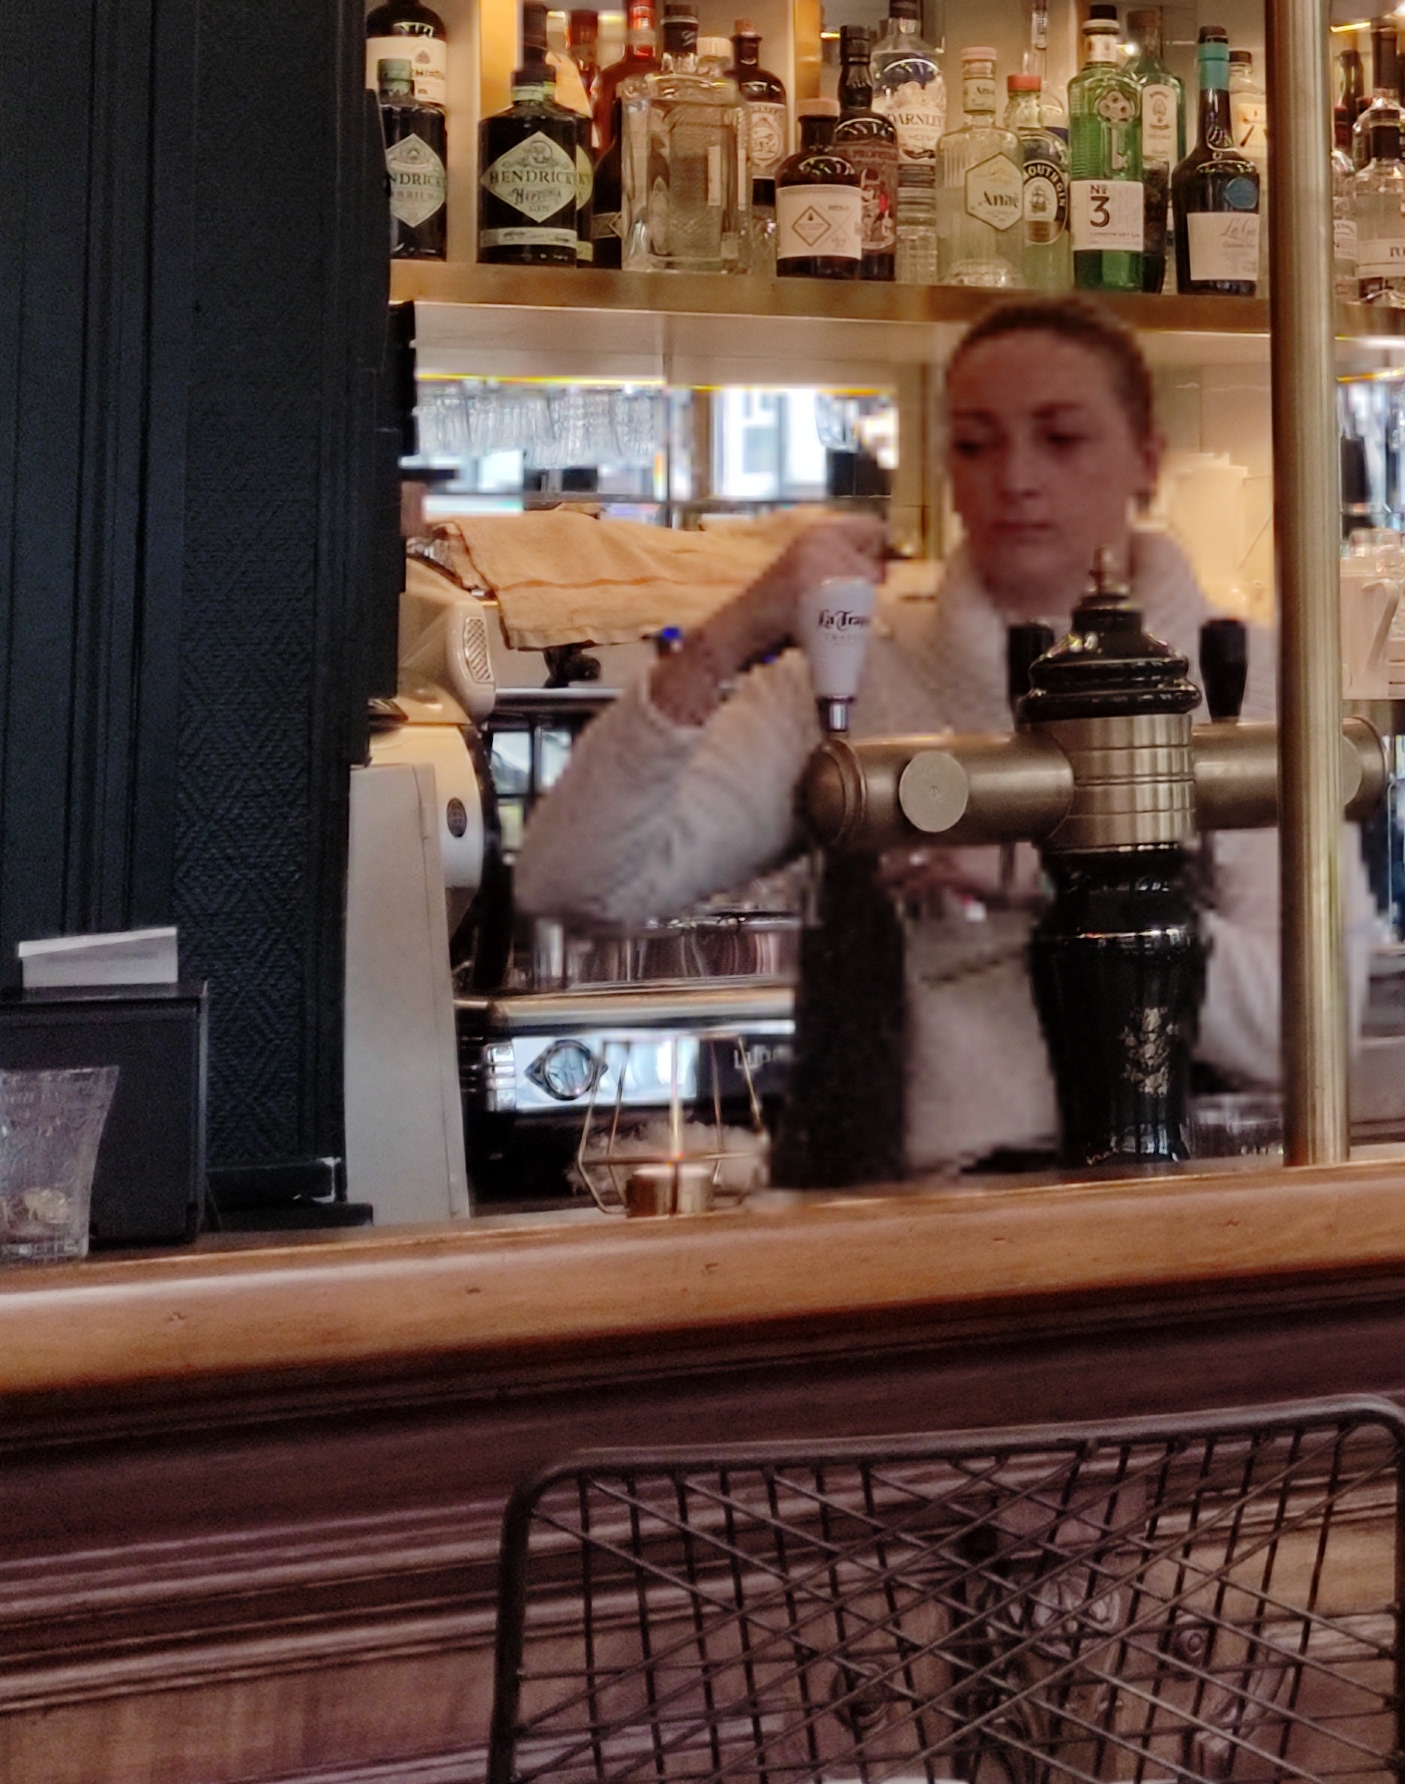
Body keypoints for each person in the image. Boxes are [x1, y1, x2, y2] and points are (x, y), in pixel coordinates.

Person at [516, 298, 1325, 1178]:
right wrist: (735, 629)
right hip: (910, 1221)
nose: (1016, 478)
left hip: (1178, 1208)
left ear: (1147, 460)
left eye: (1061, 438)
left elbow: (1298, 1024)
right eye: (976, 444)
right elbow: (573, 882)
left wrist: (1040, 883)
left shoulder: (1248, 679)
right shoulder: (855, 677)